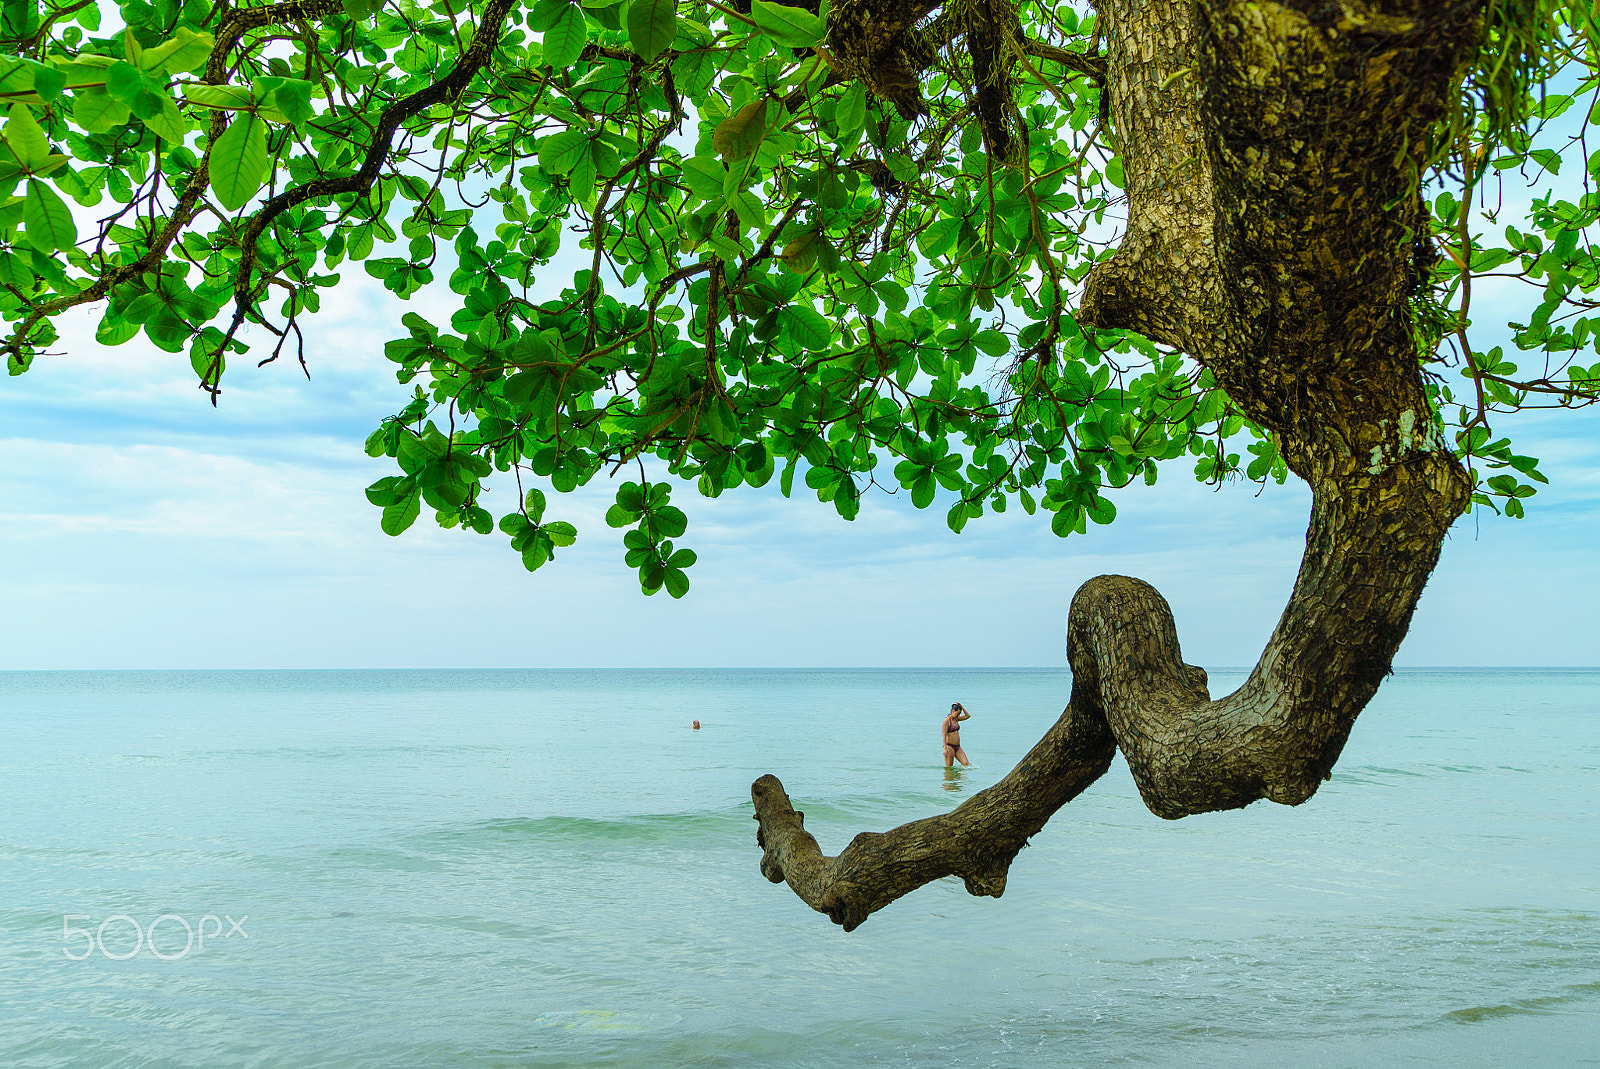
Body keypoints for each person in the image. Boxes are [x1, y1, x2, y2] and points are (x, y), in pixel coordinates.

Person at [942, 703, 971, 768]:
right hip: (949, 746)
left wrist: (962, 707)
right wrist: (945, 748)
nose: (959, 715)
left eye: (960, 714)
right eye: (957, 713)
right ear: (953, 711)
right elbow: (944, 735)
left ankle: (957, 777)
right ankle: (949, 778)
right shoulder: (946, 721)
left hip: (957, 747)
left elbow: (968, 716)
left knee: (966, 764)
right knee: (949, 767)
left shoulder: (956, 719)